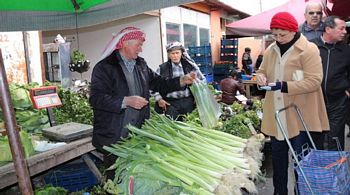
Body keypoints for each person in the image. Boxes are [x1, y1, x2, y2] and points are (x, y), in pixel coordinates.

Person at [89, 27, 196, 180]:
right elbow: (96, 98)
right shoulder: (105, 67)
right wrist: (126, 101)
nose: (141, 49)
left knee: (134, 177)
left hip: (137, 133)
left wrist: (181, 80)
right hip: (114, 135)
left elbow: (160, 83)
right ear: (125, 43)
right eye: (138, 45)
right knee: (115, 177)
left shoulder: (141, 64)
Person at [256, 12, 329, 195]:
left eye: (282, 34)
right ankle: (279, 192)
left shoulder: (309, 49)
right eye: (275, 34)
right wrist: (261, 77)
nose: (278, 39)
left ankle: (302, 192)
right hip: (278, 116)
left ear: (293, 30)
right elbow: (261, 70)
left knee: (302, 163)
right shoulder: (271, 50)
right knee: (279, 162)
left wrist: (283, 86)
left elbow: (314, 81)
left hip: (301, 115)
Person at [310, 16, 350, 151]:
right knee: (316, 136)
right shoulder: (311, 47)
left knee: (335, 137)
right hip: (314, 101)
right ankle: (319, 168)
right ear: (328, 29)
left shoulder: (346, 50)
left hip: (338, 102)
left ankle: (336, 169)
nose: (345, 31)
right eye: (341, 28)